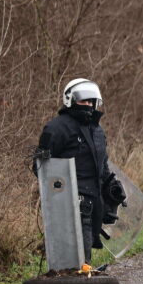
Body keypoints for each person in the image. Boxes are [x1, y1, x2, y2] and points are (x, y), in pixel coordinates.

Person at [39, 79, 124, 265]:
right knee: (74, 254)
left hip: (94, 202)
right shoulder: (56, 128)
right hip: (68, 202)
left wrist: (111, 187)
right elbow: (42, 169)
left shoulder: (97, 130)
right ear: (70, 100)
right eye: (83, 101)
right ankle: (76, 282)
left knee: (85, 249)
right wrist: (60, 193)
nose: (87, 105)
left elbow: (102, 164)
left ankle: (81, 277)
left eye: (91, 102)